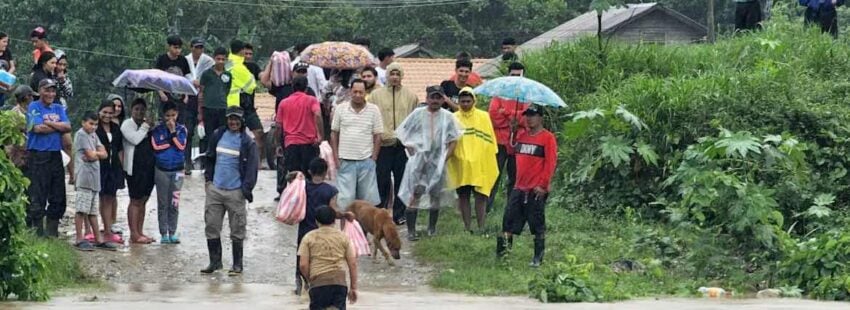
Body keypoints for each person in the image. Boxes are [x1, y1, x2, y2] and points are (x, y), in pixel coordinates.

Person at [396, 85, 461, 240]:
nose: (435, 100)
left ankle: (432, 228)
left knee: (435, 193)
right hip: (419, 160)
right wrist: (412, 152)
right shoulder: (417, 114)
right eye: (432, 97)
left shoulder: (448, 117)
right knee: (415, 193)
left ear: (442, 99)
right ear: (427, 98)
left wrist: (444, 159)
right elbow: (403, 133)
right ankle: (411, 231)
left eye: (438, 97)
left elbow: (454, 139)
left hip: (438, 161)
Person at [497, 105, 557, 267]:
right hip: (519, 186)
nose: (529, 118)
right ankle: (503, 256)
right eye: (527, 115)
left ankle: (538, 258)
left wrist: (543, 185)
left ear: (540, 117)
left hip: (536, 189)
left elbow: (550, 164)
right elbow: (511, 150)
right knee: (508, 221)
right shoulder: (522, 135)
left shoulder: (548, 138)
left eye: (533, 115)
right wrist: (513, 132)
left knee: (537, 224)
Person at [201, 106, 259, 276]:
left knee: (237, 229)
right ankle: (215, 262)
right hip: (215, 190)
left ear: (242, 121)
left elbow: (252, 169)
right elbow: (209, 158)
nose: (233, 122)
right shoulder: (218, 135)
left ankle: (237, 264)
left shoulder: (248, 142)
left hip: (236, 192)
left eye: (236, 119)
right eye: (230, 119)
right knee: (211, 225)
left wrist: (245, 189)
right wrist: (208, 180)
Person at [370, 63, 418, 224]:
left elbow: (414, 121)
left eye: (398, 74)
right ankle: (379, 213)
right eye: (392, 74)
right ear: (387, 76)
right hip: (383, 144)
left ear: (402, 76)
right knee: (381, 180)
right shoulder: (376, 96)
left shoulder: (411, 96)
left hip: (402, 145)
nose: (395, 77)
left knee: (402, 180)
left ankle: (399, 214)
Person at [446, 87, 498, 234]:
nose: (465, 104)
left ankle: (481, 227)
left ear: (474, 101)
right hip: (460, 162)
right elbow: (451, 140)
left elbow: (490, 141)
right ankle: (467, 227)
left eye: (468, 101)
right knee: (463, 196)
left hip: (480, 163)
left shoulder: (484, 116)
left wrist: (484, 158)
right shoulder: (454, 117)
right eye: (462, 101)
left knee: (481, 196)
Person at [25, 79, 71, 237]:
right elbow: (37, 128)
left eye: (53, 90)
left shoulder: (58, 107)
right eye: (47, 90)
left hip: (55, 153)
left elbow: (68, 127)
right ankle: (37, 232)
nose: (50, 94)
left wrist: (49, 123)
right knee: (38, 193)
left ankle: (52, 233)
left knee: (58, 193)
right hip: (38, 154)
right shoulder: (34, 106)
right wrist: (57, 125)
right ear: (40, 91)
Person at [330, 79, 383, 211]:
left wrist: (374, 158)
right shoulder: (341, 109)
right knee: (344, 203)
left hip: (366, 161)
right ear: (350, 92)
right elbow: (334, 134)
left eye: (361, 92)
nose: (358, 95)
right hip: (345, 161)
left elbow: (378, 136)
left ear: (366, 93)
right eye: (355, 92)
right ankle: (346, 231)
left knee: (366, 204)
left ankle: (362, 231)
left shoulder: (374, 110)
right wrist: (336, 158)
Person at [294, 158, 341, 295]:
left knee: (302, 259)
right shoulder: (331, 191)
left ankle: (300, 284)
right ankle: (318, 285)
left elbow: (289, 178)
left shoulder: (303, 187)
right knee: (320, 260)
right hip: (323, 233)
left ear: (309, 172)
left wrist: (298, 175)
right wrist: (345, 215)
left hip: (304, 232)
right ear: (326, 172)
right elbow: (334, 212)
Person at [73, 111, 118, 251]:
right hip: (84, 177)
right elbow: (91, 155)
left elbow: (104, 153)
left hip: (94, 177)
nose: (93, 127)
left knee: (92, 211)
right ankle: (79, 238)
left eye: (95, 124)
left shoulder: (93, 135)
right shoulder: (81, 134)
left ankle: (98, 238)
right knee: (81, 209)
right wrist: (97, 154)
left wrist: (96, 154)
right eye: (90, 123)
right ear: (83, 122)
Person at [298, 205, 358, 309]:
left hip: (318, 284)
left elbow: (303, 265)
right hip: (339, 283)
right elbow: (353, 264)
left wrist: (311, 279)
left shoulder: (309, 237)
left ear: (316, 221)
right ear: (334, 221)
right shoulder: (344, 237)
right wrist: (353, 287)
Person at [486, 62, 528, 213]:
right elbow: (493, 116)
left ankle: (512, 209)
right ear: (507, 75)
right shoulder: (499, 93)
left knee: (515, 178)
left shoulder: (527, 94)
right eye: (513, 75)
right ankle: (485, 209)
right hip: (500, 142)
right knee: (493, 176)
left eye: (519, 75)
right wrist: (514, 117)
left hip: (519, 142)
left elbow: (527, 119)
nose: (515, 78)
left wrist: (506, 113)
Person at [275, 76, 324, 195]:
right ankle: (308, 200)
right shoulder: (311, 100)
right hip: (309, 144)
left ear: (292, 87)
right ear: (306, 88)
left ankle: (295, 201)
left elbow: (278, 126)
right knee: (310, 175)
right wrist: (320, 135)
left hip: (291, 144)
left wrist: (278, 144)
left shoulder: (284, 103)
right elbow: (317, 115)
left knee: (294, 177)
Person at [151, 102, 188, 244]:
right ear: (163, 116)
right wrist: (171, 139)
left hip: (178, 170)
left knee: (174, 202)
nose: (170, 118)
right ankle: (163, 232)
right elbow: (157, 146)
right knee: (162, 203)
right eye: (167, 116)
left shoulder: (182, 129)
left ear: (177, 115)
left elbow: (181, 146)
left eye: (173, 115)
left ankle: (172, 231)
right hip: (162, 169)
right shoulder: (157, 129)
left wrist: (173, 134)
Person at [121, 98, 156, 244]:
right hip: (134, 168)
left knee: (144, 200)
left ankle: (140, 231)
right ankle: (134, 233)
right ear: (131, 110)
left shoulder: (146, 124)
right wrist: (146, 127)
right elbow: (135, 139)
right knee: (135, 200)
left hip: (148, 167)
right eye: (137, 109)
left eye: (142, 109)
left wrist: (150, 126)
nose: (140, 112)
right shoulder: (127, 124)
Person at [226, 40, 262, 169]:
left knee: (257, 132)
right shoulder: (237, 66)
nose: (247, 55)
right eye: (245, 52)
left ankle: (256, 163)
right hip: (237, 105)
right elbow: (251, 85)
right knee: (236, 136)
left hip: (241, 105)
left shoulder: (228, 63)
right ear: (241, 51)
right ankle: (250, 164)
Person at [94, 100, 125, 244]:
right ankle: (103, 230)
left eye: (110, 113)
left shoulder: (116, 128)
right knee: (101, 197)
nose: (107, 115)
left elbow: (119, 149)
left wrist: (122, 168)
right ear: (99, 112)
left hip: (114, 167)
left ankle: (108, 228)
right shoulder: (94, 127)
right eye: (104, 112)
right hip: (99, 166)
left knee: (110, 197)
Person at [183, 38, 213, 175]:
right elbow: (182, 77)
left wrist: (200, 83)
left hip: (204, 98)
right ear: (191, 48)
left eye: (201, 47)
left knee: (204, 132)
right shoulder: (185, 61)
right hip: (189, 99)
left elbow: (211, 78)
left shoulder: (208, 62)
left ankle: (205, 162)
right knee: (188, 131)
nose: (199, 50)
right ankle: (187, 161)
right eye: (196, 47)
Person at [199, 47, 232, 162]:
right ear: (214, 59)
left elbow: (226, 90)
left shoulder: (228, 75)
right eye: (218, 59)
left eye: (223, 59)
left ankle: (220, 161)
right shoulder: (207, 74)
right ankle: (208, 162)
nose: (220, 61)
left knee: (222, 135)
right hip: (208, 108)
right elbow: (201, 92)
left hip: (222, 108)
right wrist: (200, 111)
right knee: (209, 136)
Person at [155, 35, 192, 115]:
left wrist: (186, 95)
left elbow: (186, 78)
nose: (178, 50)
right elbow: (156, 78)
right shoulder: (162, 59)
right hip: (166, 97)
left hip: (180, 98)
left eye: (179, 48)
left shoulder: (183, 60)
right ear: (169, 46)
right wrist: (161, 93)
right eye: (175, 47)